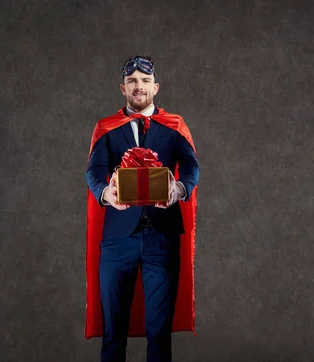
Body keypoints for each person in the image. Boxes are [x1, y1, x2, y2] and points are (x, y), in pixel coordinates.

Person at [85, 55, 200, 362]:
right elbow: (94, 172)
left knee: (159, 334)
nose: (139, 87)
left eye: (145, 81)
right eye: (132, 81)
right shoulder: (106, 128)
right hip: (117, 239)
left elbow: (191, 166)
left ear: (156, 87)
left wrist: (180, 188)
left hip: (161, 239)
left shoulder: (174, 126)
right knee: (113, 333)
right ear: (122, 88)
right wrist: (106, 193)